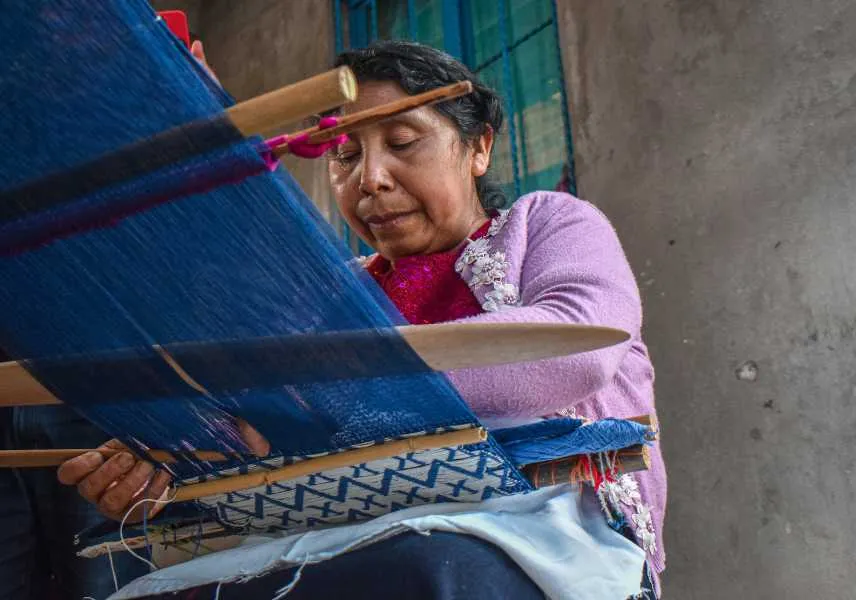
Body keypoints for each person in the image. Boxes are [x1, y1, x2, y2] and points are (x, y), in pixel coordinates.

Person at [56, 40, 667, 599]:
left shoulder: (548, 224)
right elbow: (263, 426)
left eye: (402, 144)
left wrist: (334, 387)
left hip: (553, 538)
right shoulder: (338, 290)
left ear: (477, 147)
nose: (370, 179)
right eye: (345, 155)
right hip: (357, 533)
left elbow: (577, 345)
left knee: (434, 574)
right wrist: (170, 462)